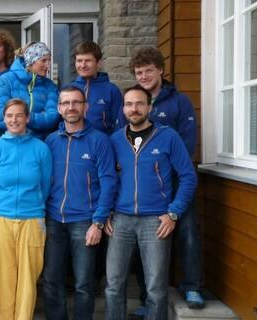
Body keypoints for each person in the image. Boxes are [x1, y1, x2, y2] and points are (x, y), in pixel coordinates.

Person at [119, 46, 203, 315]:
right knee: (148, 239)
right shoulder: (135, 102)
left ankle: (192, 285)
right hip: (148, 188)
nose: (143, 76)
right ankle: (146, 298)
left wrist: (170, 171)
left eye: (148, 71)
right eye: (138, 72)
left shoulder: (179, 102)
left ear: (160, 71)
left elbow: (188, 142)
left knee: (187, 232)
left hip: (177, 179)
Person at [104, 85, 198, 320]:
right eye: (128, 104)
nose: (133, 109)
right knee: (114, 284)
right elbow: (105, 179)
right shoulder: (114, 140)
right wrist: (105, 213)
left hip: (155, 221)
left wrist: (173, 213)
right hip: (120, 219)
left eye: (138, 104)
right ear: (123, 108)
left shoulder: (168, 137)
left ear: (149, 107)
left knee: (155, 287)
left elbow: (188, 176)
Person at [43, 86, 117, 320]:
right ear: (59, 108)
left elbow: (109, 182)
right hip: (54, 219)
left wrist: (98, 221)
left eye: (76, 102)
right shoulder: (51, 141)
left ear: (85, 107)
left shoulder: (100, 141)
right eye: (65, 103)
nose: (71, 107)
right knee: (51, 280)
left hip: (85, 222)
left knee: (84, 283)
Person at [0, 98, 52, 319]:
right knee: (0, 277)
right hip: (0, 218)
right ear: (4, 119)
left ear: (27, 118)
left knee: (28, 279)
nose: (14, 120)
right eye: (9, 115)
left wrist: (34, 206)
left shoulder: (41, 149)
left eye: (19, 115)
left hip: (32, 219)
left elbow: (46, 184)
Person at [0, 42, 59, 139]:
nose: (48, 65)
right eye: (44, 60)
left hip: (39, 144)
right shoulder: (5, 81)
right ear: (31, 61)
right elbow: (0, 119)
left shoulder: (50, 85)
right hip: (11, 144)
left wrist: (20, 116)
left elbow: (52, 118)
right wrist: (37, 116)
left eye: (49, 60)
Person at [69, 41, 123, 135]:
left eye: (88, 61)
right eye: (79, 61)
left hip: (103, 145)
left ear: (98, 63)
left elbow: (120, 126)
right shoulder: (69, 89)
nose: (83, 65)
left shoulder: (112, 90)